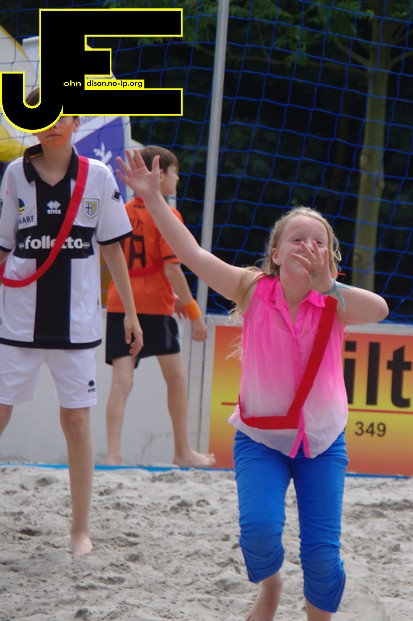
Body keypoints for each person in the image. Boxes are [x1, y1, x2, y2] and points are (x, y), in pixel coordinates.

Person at [116, 148, 389, 620]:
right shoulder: (252, 289)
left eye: (319, 242)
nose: (308, 247)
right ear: (275, 255)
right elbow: (192, 255)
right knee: (259, 531)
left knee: (322, 556)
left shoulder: (337, 302)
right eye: (297, 239)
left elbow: (380, 309)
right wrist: (154, 199)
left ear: (331, 259)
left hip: (322, 444)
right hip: (260, 439)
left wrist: (329, 286)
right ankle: (271, 584)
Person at [0, 89, 143, 557]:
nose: (52, 124)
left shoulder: (98, 176)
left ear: (77, 121)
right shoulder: (14, 175)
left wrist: (130, 313)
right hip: (16, 321)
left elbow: (113, 250)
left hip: (77, 327)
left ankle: (80, 530)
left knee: (77, 421)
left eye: (60, 116)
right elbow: (4, 247)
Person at [102, 145, 214, 468]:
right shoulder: (167, 215)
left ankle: (113, 454)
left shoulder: (122, 210)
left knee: (122, 380)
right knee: (177, 377)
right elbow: (172, 269)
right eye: (175, 172)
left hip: (121, 303)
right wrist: (193, 312)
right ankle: (182, 451)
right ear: (159, 174)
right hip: (153, 305)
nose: (178, 179)